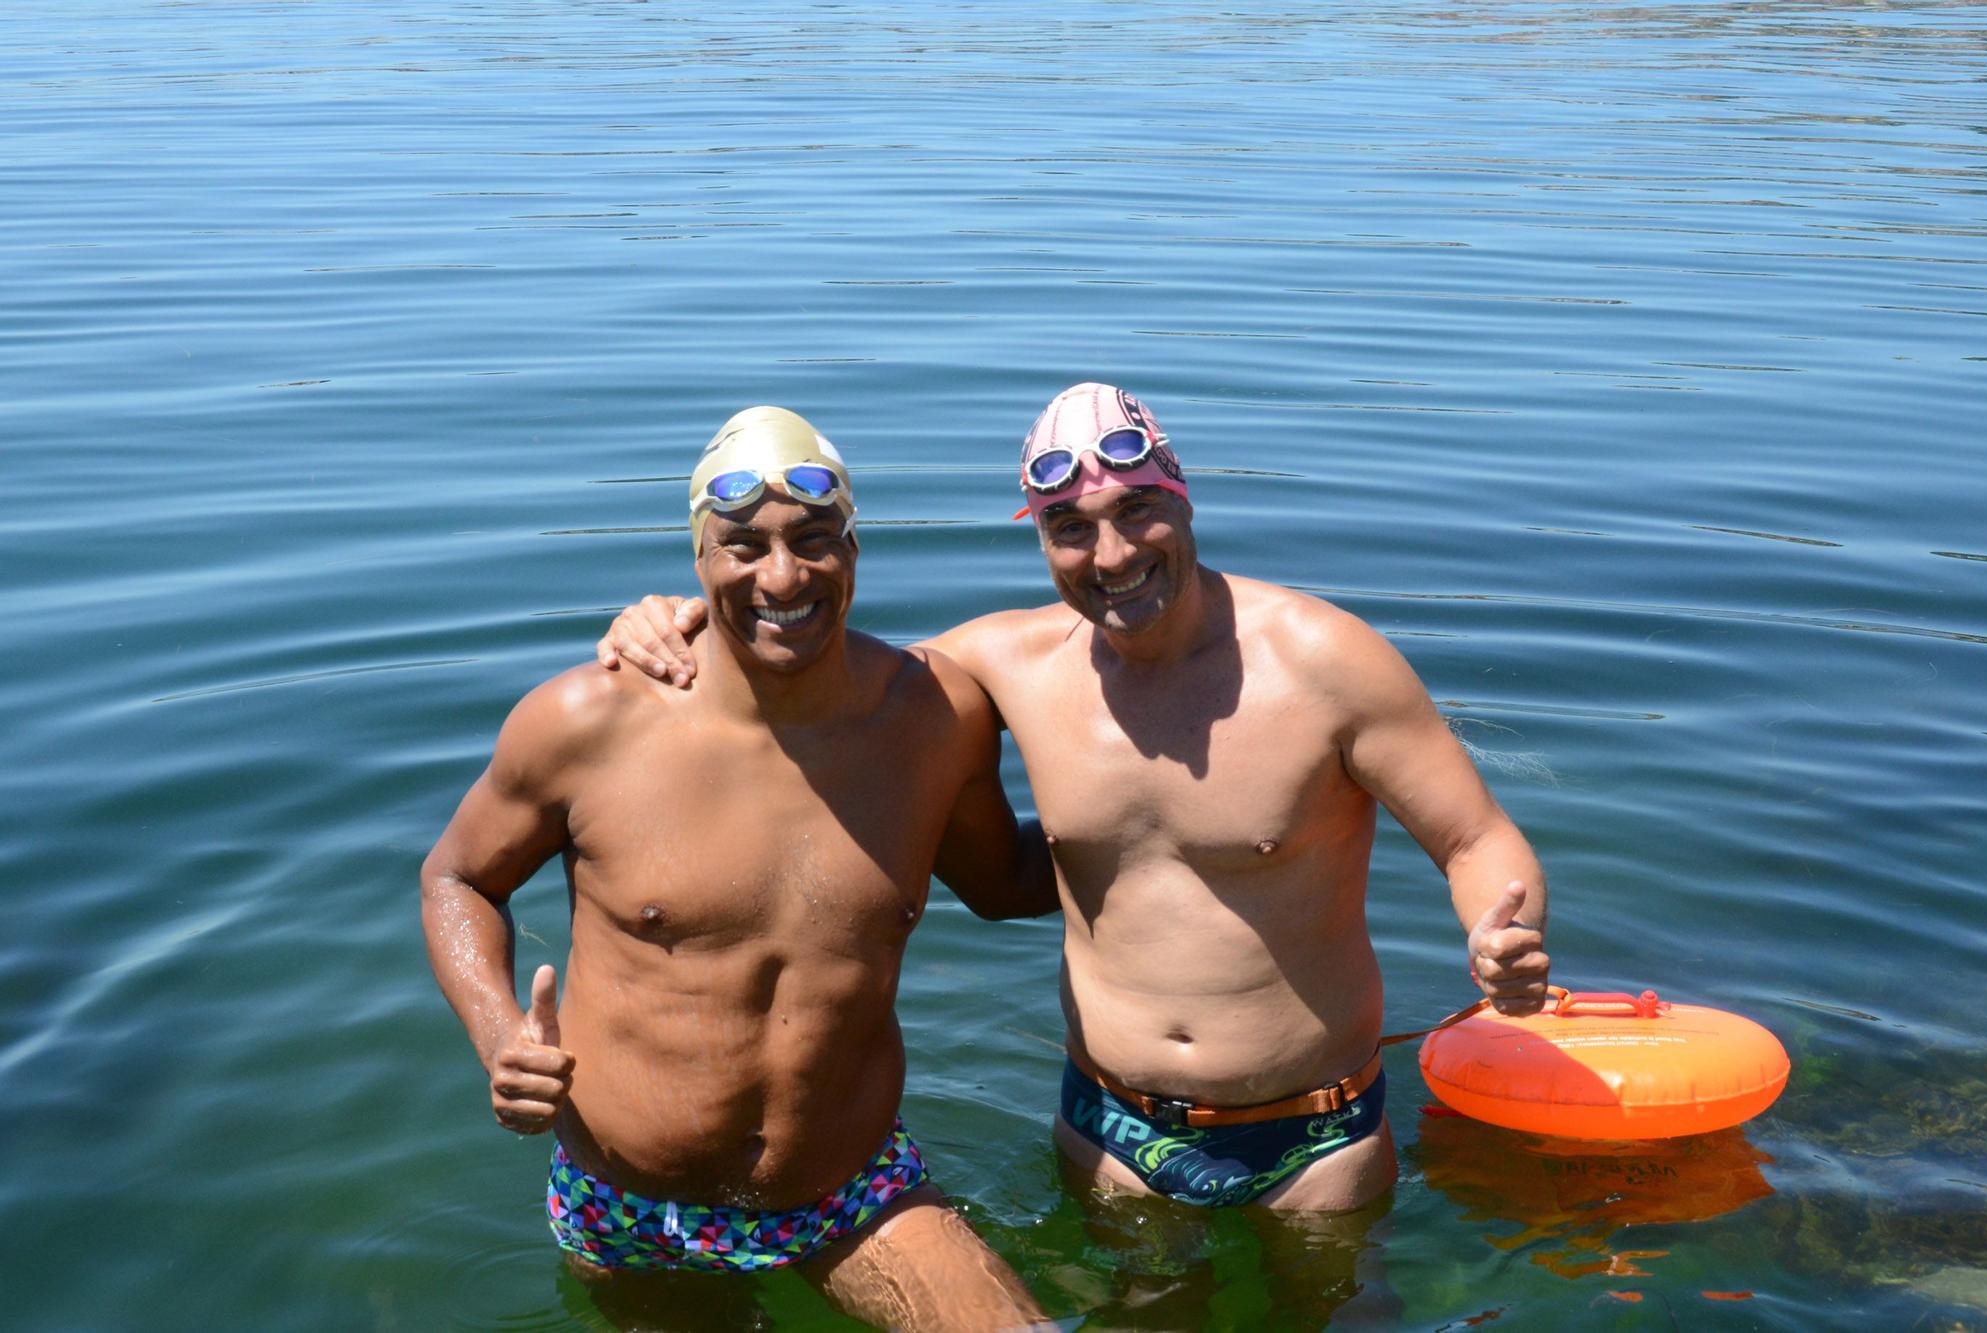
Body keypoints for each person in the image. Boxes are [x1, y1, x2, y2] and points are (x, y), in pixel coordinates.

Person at [597, 383, 1550, 1219]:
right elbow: (809, 657)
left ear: (1182, 501)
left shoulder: (1327, 662)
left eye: (1138, 510)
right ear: (1040, 537)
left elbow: (1476, 838)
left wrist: (1498, 936)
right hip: (1105, 1133)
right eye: (1071, 528)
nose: (1112, 552)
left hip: (1317, 1137)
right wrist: (671, 618)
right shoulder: (1000, 664)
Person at [421, 406, 1052, 1331]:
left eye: (813, 539)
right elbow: (459, 877)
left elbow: (1004, 885)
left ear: (854, 549)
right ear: (699, 560)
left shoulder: (933, 720)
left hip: (853, 1191)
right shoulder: (585, 723)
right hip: (628, 1209)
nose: (783, 575)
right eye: (742, 547)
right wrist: (499, 1035)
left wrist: (1215, 830)